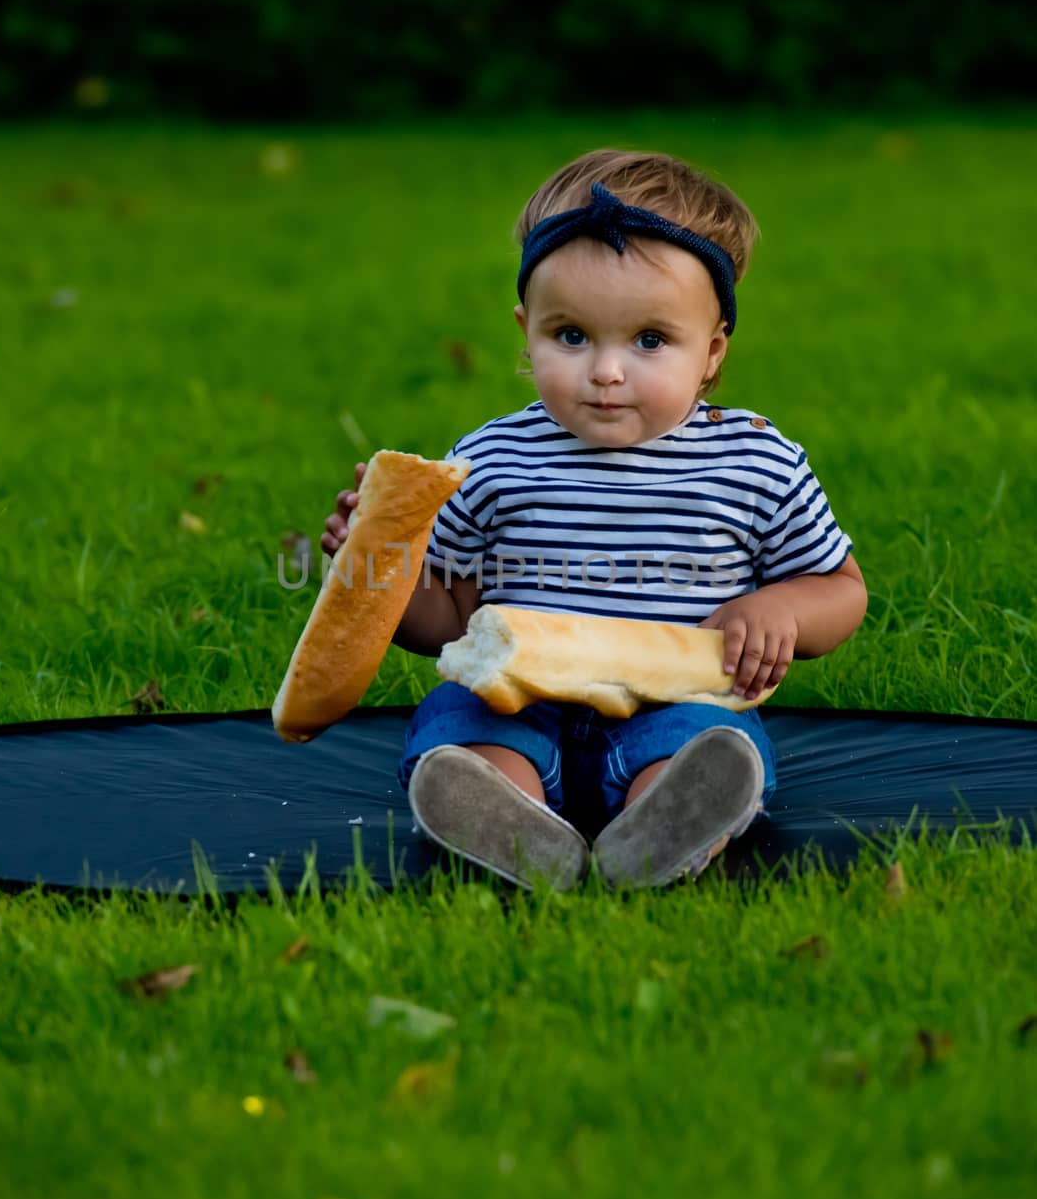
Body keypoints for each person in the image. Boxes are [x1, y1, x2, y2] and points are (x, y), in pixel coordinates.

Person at [321, 148, 868, 891]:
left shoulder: (755, 462)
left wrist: (781, 608)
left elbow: (838, 586)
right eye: (571, 336)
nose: (606, 371)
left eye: (649, 341)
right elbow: (444, 620)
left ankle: (665, 826)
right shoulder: (490, 457)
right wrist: (377, 566)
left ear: (709, 352)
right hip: (517, 702)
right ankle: (504, 820)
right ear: (527, 328)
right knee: (464, 728)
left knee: (702, 747)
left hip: (674, 699)